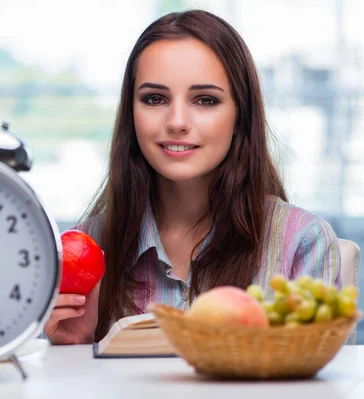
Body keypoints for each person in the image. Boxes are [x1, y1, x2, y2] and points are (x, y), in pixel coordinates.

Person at [43, 9, 342, 345]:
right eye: (154, 99)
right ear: (131, 114)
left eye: (205, 100)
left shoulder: (302, 242)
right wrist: (73, 349)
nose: (177, 121)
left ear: (240, 117)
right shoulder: (87, 247)